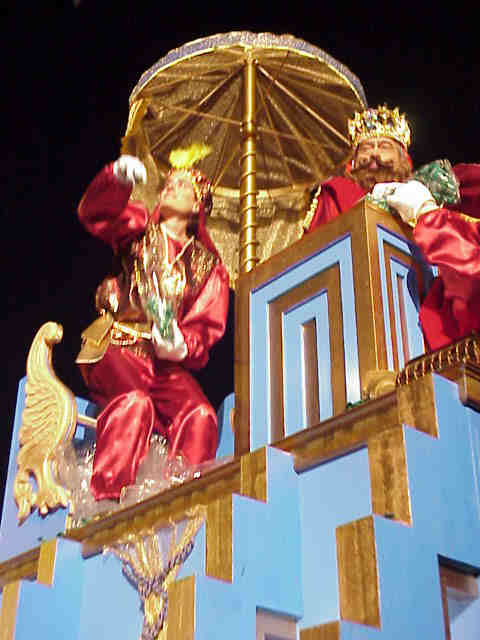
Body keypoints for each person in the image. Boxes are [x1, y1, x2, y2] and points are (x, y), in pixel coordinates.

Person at [76, 144, 229, 500]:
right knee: (135, 403)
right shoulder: (139, 230)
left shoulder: (208, 267)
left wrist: (180, 342)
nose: (170, 187)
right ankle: (106, 502)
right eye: (168, 183)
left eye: (182, 185)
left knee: (200, 414)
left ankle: (181, 498)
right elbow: (94, 212)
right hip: (120, 345)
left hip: (162, 363)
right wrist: (116, 179)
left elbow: (205, 326)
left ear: (198, 205)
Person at [304, 105, 479, 352]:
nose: (374, 153)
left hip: (430, 314)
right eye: (366, 148)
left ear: (403, 158)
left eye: (384, 146)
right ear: (352, 163)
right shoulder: (334, 196)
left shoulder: (435, 189)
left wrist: (426, 207)